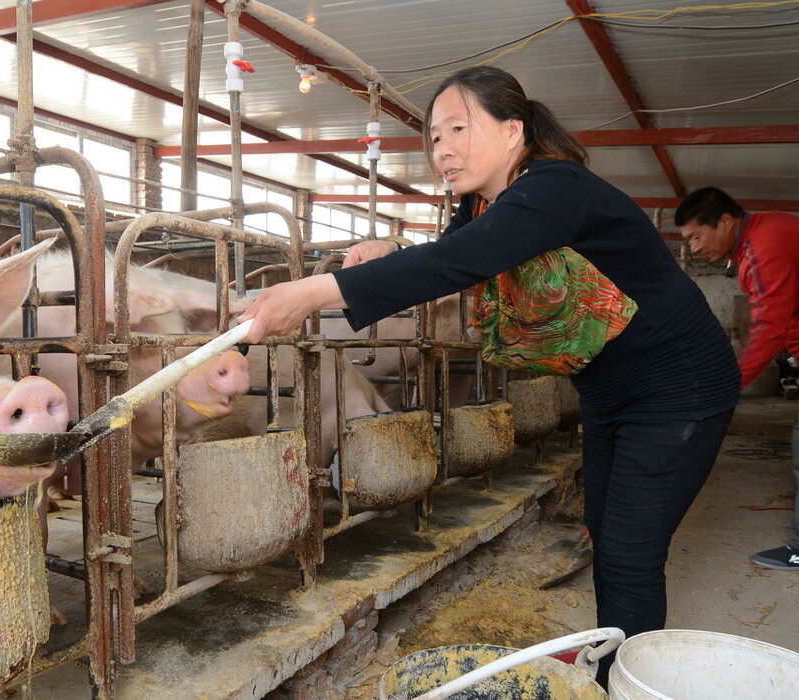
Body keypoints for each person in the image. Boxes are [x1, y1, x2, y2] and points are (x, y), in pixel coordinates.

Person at [239, 65, 740, 683]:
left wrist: (316, 292)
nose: (442, 149)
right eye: (433, 137)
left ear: (513, 131)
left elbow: (458, 259)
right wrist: (392, 251)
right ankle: (613, 663)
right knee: (605, 528)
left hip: (677, 385)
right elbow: (457, 249)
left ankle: (629, 685)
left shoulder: (554, 187)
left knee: (632, 551)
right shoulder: (484, 201)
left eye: (457, 128)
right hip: (610, 388)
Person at [675, 187, 799, 572]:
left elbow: (770, 327)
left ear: (726, 221)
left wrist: (728, 387)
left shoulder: (765, 247)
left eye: (697, 236)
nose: (694, 248)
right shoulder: (770, 231)